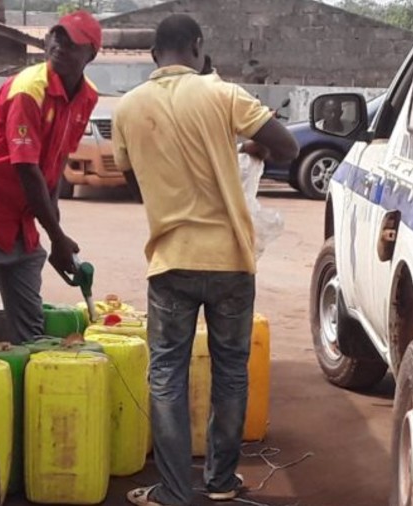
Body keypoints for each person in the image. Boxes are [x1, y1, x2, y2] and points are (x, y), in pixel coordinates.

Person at [111, 14, 299, 506]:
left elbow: (134, 184)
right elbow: (287, 146)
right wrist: (247, 145)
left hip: (171, 262)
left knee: (168, 375)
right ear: (197, 47)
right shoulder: (224, 95)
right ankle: (220, 482)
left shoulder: (127, 109)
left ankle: (174, 492)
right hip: (232, 261)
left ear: (154, 55)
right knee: (232, 372)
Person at [0, 11, 101, 344]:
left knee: (31, 327)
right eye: (56, 36)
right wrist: (56, 236)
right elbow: (27, 169)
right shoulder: (28, 91)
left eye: (71, 42)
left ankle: (27, 393)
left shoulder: (87, 97)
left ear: (90, 54)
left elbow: (55, 164)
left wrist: (53, 222)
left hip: (22, 225)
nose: (58, 45)